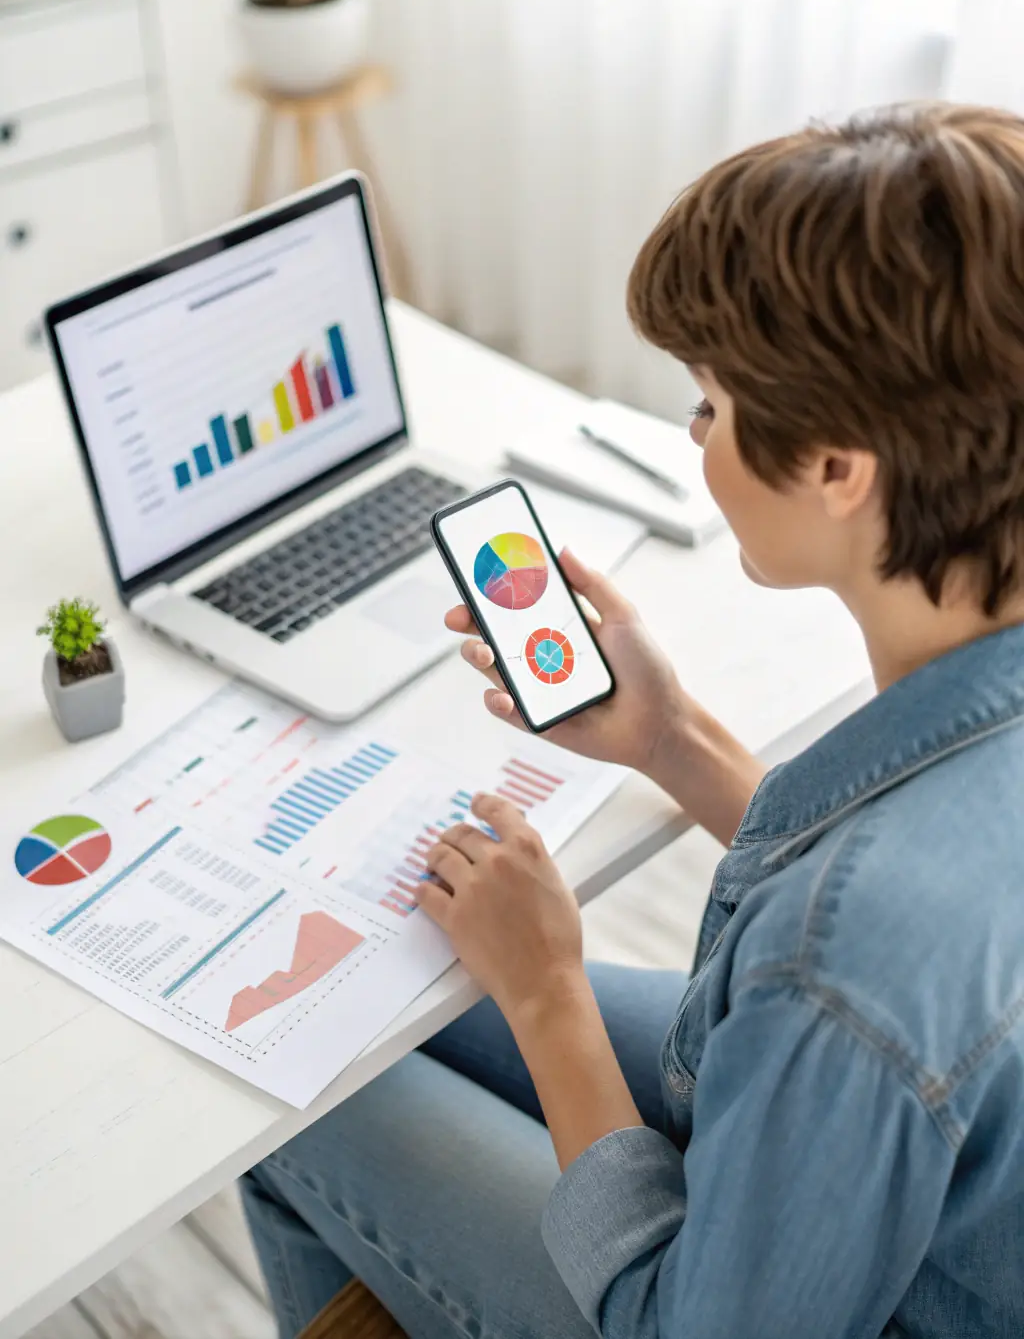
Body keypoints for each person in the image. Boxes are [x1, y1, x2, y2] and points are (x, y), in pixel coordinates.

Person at [241, 102, 1024, 1339]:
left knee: (297, 1098)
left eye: (710, 405)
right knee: (397, 1007)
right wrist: (673, 739)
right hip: (918, 1171)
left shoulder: (848, 956)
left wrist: (548, 990)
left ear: (837, 468)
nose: (695, 434)